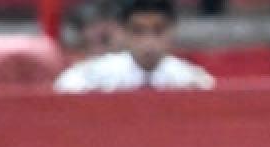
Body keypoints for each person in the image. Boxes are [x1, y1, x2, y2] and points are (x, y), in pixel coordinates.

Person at [53, 0, 213, 93]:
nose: (149, 41)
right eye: (138, 31)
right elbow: (64, 88)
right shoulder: (93, 75)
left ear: (172, 30)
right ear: (123, 31)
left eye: (158, 30)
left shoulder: (190, 79)